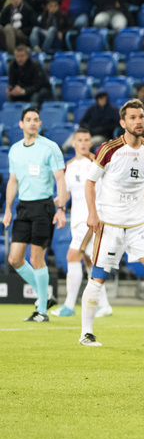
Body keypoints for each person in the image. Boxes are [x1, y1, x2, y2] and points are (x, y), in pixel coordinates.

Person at [78, 100, 144, 347]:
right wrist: (92, 214)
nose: (138, 121)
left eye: (141, 117)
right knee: (99, 276)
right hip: (110, 224)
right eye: (133, 118)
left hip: (139, 224)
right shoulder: (109, 149)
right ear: (123, 123)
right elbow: (90, 182)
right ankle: (86, 333)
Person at [3, 106, 66, 322]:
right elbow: (13, 180)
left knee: (36, 258)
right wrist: (8, 209)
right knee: (15, 258)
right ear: (21, 124)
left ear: (40, 124)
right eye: (28, 119)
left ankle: (42, 311)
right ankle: (44, 296)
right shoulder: (15, 150)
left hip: (44, 206)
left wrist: (60, 209)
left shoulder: (50, 148)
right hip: (23, 207)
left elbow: (60, 180)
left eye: (36, 119)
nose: (32, 122)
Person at [51, 128, 113, 318]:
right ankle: (104, 305)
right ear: (74, 143)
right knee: (90, 261)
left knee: (72, 256)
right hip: (76, 220)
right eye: (80, 140)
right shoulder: (69, 166)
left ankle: (69, 305)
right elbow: (66, 193)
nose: (84, 143)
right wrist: (56, 203)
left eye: (87, 140)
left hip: (92, 220)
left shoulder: (96, 164)